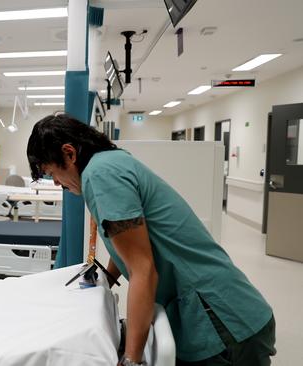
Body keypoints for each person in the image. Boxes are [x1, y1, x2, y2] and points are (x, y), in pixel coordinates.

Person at [26, 114, 275, 366]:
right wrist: (105, 281)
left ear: (69, 154)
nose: (57, 183)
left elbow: (143, 269)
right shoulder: (113, 162)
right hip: (230, 308)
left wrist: (131, 359)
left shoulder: (101, 176)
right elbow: (129, 241)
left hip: (221, 318)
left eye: (52, 172)